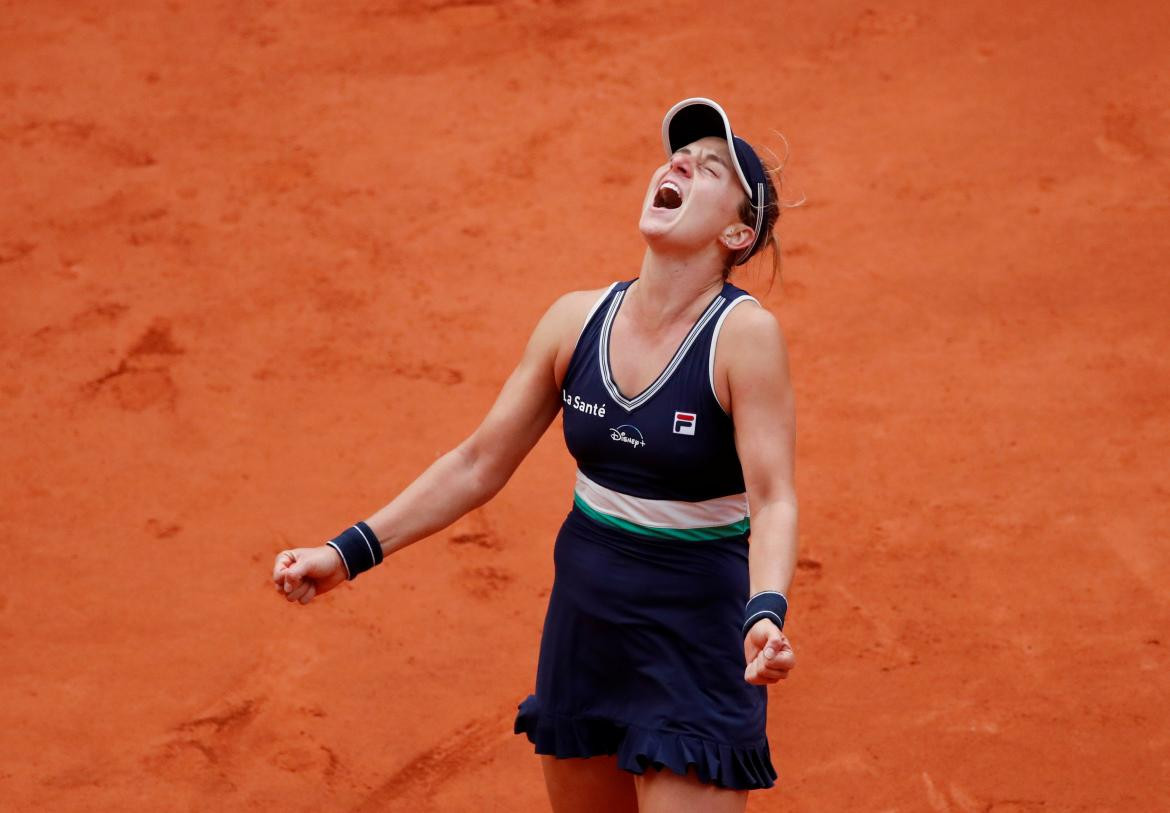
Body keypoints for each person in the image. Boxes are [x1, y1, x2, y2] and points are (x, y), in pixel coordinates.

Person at [272, 97, 799, 813]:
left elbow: (773, 497)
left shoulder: (744, 337)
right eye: (680, 154)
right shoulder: (574, 320)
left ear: (738, 232)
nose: (680, 163)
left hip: (697, 645)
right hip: (587, 635)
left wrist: (764, 612)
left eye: (710, 168)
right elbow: (477, 462)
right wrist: (346, 551)